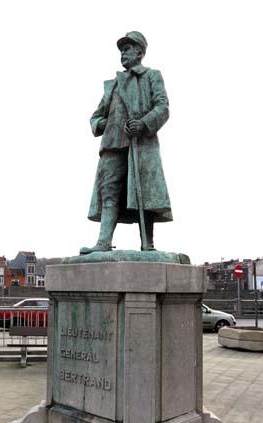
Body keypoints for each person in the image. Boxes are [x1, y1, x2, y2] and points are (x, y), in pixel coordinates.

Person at [80, 31, 173, 255]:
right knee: (108, 192)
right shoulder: (112, 84)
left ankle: (147, 244)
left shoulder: (152, 76)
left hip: (139, 144)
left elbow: (163, 107)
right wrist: (103, 123)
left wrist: (144, 123)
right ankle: (103, 242)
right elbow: (95, 116)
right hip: (112, 144)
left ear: (140, 52)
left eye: (128, 49)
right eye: (122, 50)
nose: (123, 53)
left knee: (144, 190)